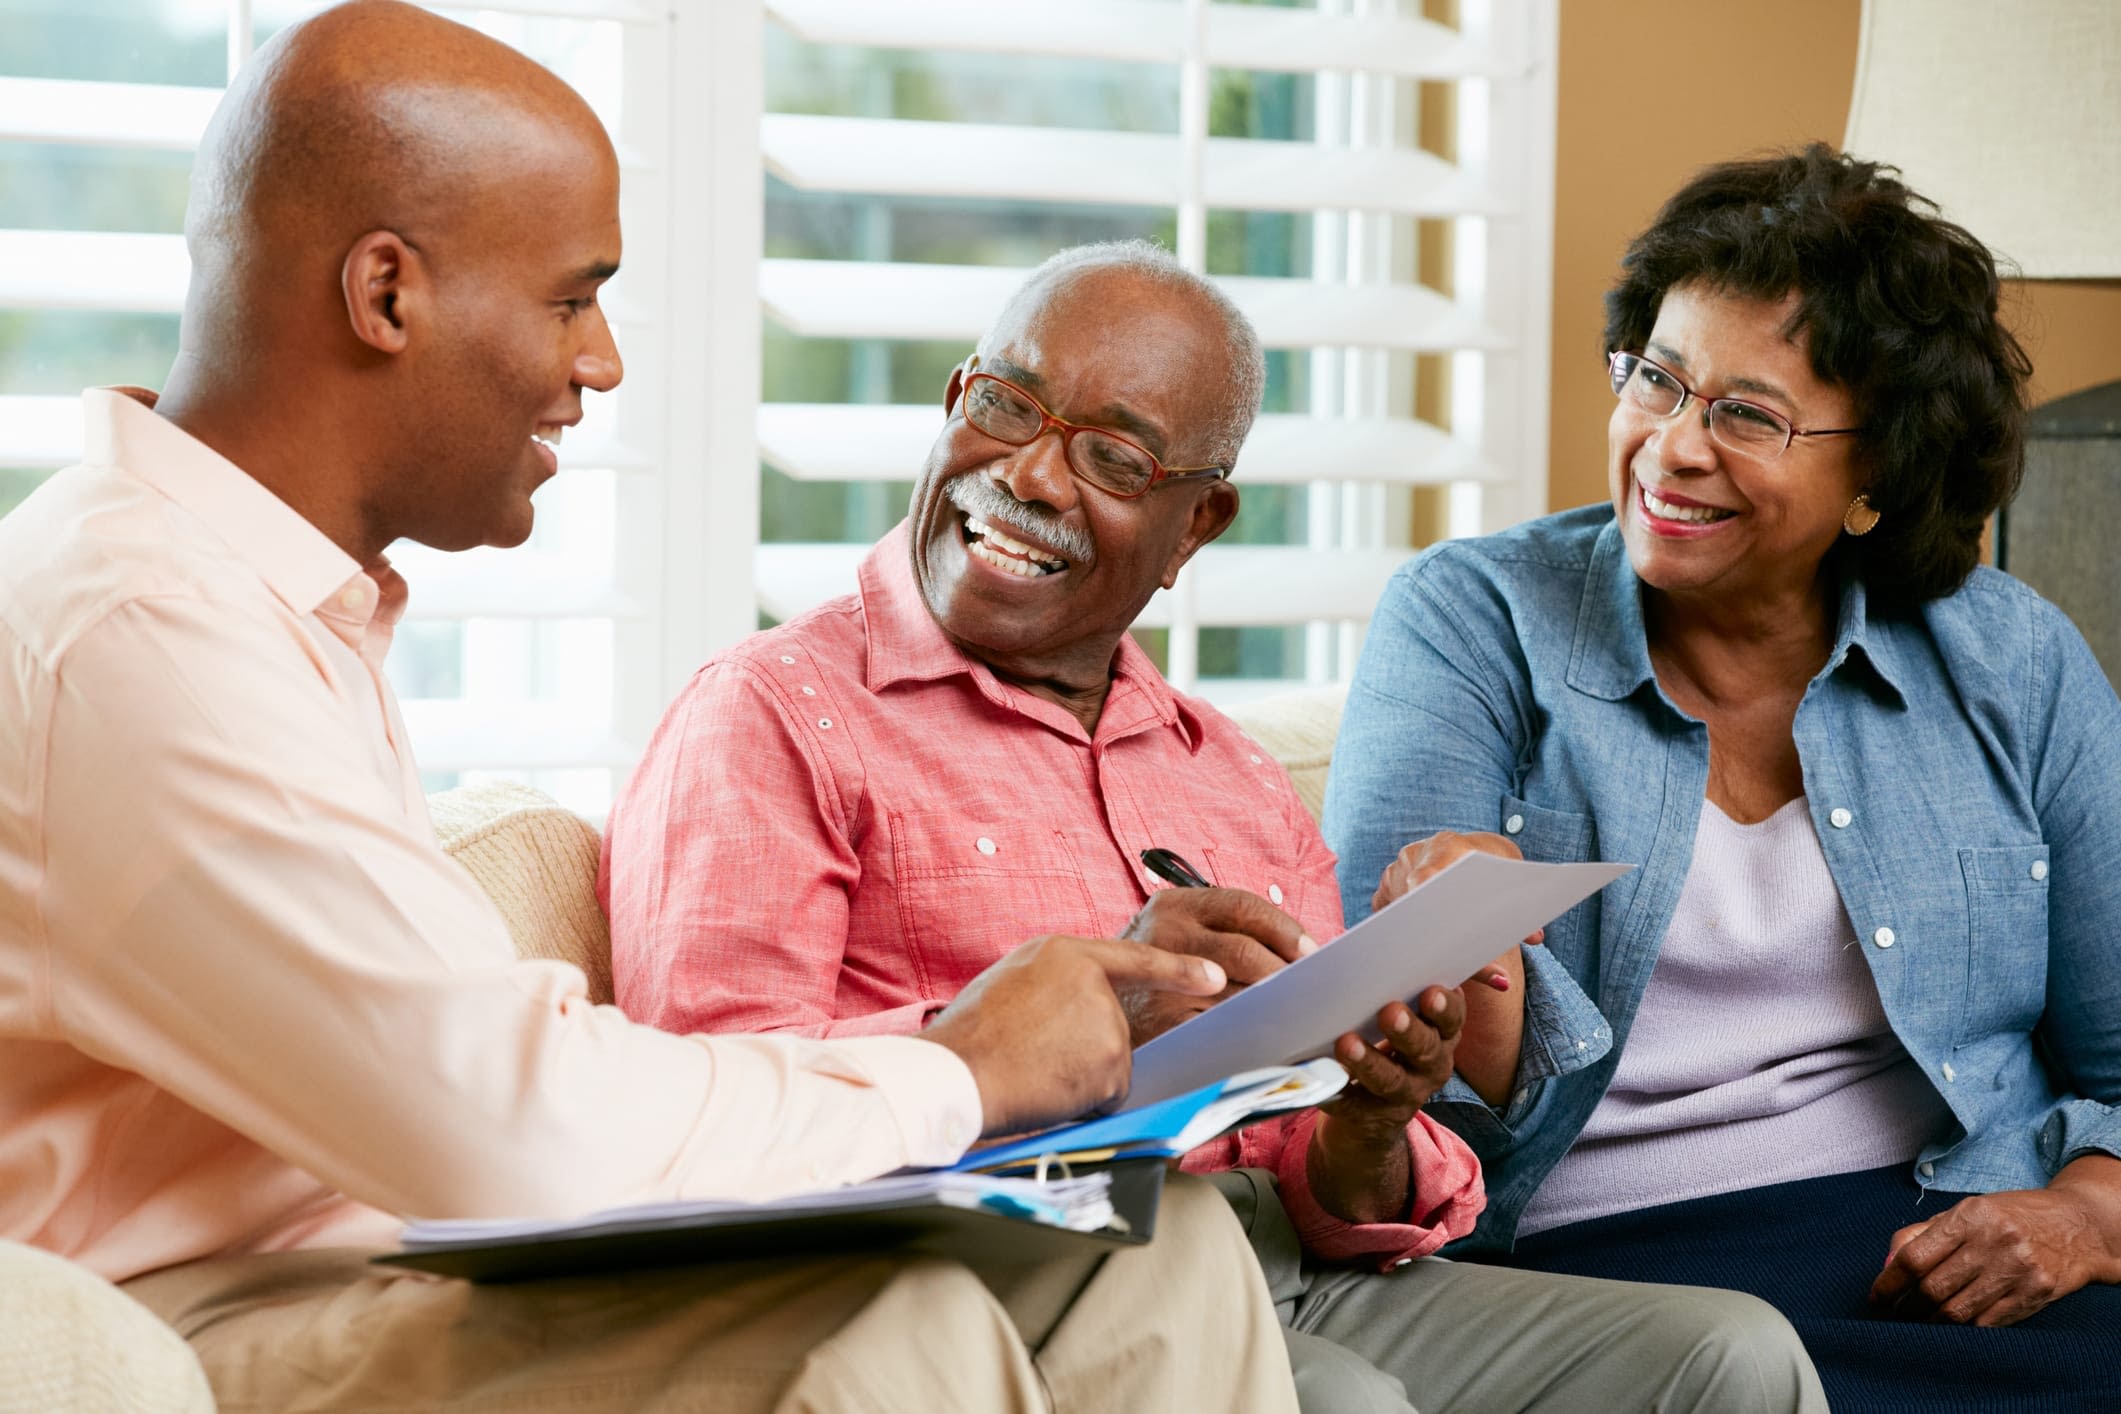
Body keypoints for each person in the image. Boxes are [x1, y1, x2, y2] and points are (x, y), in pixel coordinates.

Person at [0, 6, 1309, 1410]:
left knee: (1145, 1255)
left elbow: (486, 1084)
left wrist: (974, 1054)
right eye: (571, 298)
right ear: (388, 296)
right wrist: (957, 1073)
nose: (603, 361)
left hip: (398, 1261)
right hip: (200, 1319)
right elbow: (500, 1125)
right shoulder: (137, 628)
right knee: (896, 1329)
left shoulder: (270, 599)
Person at [604, 241, 1828, 1414]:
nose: (1029, 475)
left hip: (1286, 1265)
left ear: (1197, 527)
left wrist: (1371, 1112)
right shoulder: (774, 716)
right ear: (952, 400)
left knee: (1731, 1358)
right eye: (1007, 404)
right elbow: (713, 1126)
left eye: (1118, 461)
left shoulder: (1225, 771)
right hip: (997, 1280)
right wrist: (1066, 1031)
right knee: (1342, 1402)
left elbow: (1338, 1193)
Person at [1322, 144, 2121, 1410]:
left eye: (1746, 415)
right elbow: (1394, 1085)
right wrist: (1446, 956)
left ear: (1877, 476)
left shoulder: (2007, 655)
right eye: (1656, 378)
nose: (1670, 448)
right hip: (1607, 1268)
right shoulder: (1473, 622)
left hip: (1957, 1230)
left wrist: (2089, 1210)